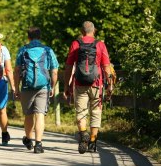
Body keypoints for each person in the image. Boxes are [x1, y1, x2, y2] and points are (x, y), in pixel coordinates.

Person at [63, 21, 113, 154]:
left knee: (81, 111)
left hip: (79, 83)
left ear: (81, 31)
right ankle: (92, 141)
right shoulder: (100, 45)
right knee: (96, 112)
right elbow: (107, 67)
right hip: (97, 84)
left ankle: (83, 134)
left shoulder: (76, 44)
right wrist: (110, 85)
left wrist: (66, 86)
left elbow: (68, 67)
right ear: (94, 30)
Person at [14, 27, 59, 153]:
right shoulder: (47, 50)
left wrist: (16, 88)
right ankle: (38, 145)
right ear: (40, 37)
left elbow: (17, 71)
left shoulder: (23, 50)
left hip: (26, 87)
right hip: (43, 87)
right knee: (40, 115)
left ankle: (29, 139)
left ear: (28, 37)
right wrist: (52, 87)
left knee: (28, 115)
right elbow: (54, 71)